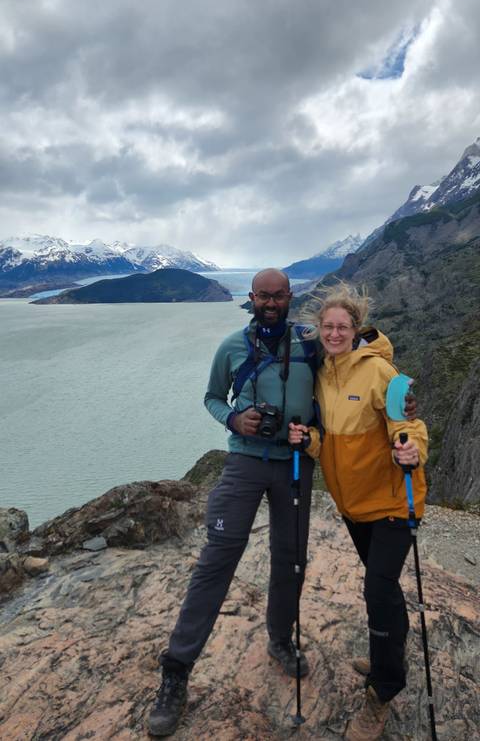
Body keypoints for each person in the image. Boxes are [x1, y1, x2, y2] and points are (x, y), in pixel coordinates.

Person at [146, 268, 320, 737]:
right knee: (217, 559)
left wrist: (396, 404)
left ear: (290, 297)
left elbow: (357, 366)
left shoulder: (310, 343)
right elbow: (210, 397)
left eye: (278, 295)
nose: (270, 302)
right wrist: (233, 420)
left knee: (291, 560)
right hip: (244, 462)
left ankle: (280, 640)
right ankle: (176, 670)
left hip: (295, 465)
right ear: (252, 298)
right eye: (262, 295)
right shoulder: (231, 346)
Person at [289, 282, 428, 741]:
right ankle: (390, 654)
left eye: (341, 326)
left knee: (377, 587)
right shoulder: (323, 373)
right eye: (327, 326)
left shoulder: (380, 372)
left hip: (392, 499)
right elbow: (330, 441)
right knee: (384, 590)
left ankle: (383, 689)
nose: (333, 333)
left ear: (355, 328)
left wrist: (411, 449)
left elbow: (406, 422)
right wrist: (306, 441)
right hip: (353, 505)